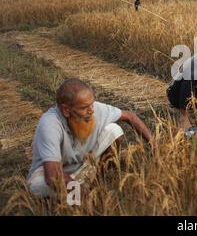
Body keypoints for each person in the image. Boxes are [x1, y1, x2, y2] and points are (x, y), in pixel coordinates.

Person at [27, 78, 156, 197]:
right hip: (52, 173)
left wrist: (154, 146)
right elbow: (53, 176)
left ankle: (98, 181)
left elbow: (130, 116)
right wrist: (83, 193)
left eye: (92, 104)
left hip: (81, 167)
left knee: (114, 130)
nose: (91, 111)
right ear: (65, 110)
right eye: (83, 108)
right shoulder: (49, 124)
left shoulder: (94, 109)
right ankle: (70, 198)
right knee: (38, 185)